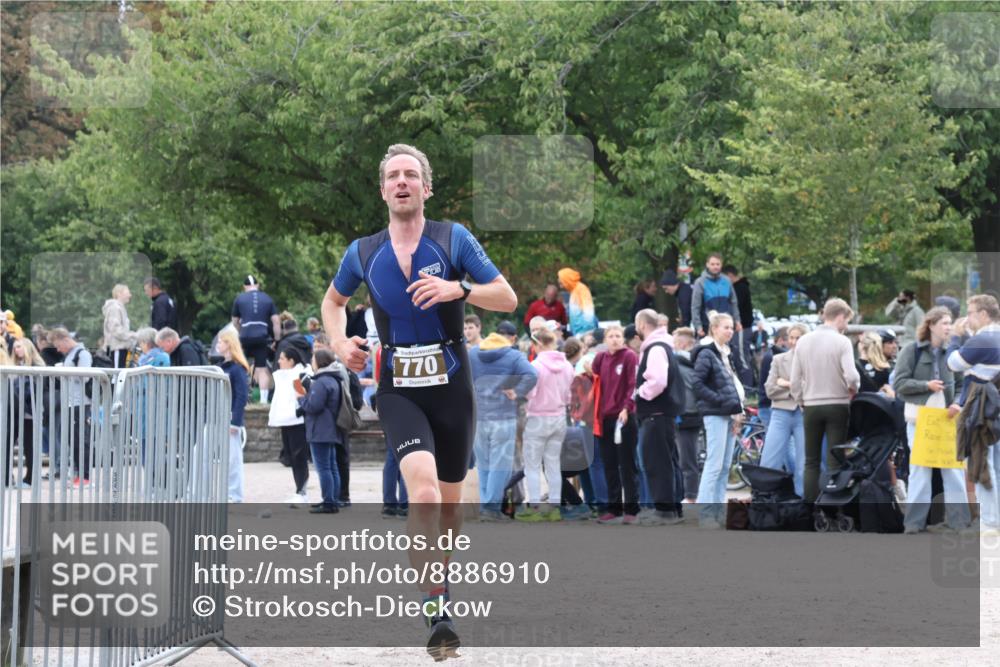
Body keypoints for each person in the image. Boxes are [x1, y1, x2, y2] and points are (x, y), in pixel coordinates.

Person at [321, 143, 516, 656]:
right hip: (399, 387)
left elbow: (507, 296)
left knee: (450, 511)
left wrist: (460, 290)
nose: (402, 182)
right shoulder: (362, 252)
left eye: (411, 175)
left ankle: (440, 582)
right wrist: (341, 344)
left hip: (452, 386)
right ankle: (435, 609)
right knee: (424, 495)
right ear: (383, 190)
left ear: (426, 188)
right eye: (393, 176)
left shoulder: (453, 239)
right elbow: (333, 302)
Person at [893, 306, 970, 533]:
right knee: (920, 472)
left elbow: (961, 383)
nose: (948, 327)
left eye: (949, 323)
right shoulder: (911, 350)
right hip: (920, 420)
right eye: (944, 323)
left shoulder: (953, 353)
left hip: (947, 420)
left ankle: (959, 523)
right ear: (931, 325)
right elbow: (899, 385)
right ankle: (914, 524)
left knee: (953, 472)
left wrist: (957, 403)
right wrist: (925, 386)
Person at [790, 298, 861, 502]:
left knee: (810, 460)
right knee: (835, 458)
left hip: (811, 406)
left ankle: (810, 505)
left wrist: (801, 400)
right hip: (837, 404)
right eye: (846, 320)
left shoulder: (803, 341)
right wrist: (853, 390)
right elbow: (852, 376)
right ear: (840, 317)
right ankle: (832, 503)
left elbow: (795, 380)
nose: (846, 326)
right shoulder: (842, 342)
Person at [469, 323, 537, 522]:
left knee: (484, 464)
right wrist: (517, 392)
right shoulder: (513, 356)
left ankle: (485, 506)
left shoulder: (473, 354)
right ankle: (491, 507)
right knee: (500, 465)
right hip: (503, 416)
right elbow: (532, 375)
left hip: (479, 416)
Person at [947, 294, 1000, 535]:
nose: (967, 318)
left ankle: (989, 522)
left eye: (970, 312)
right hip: (995, 407)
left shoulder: (984, 339)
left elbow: (954, 363)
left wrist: (956, 337)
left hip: (982, 409)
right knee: (996, 466)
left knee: (981, 465)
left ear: (983, 314)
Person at [692, 313, 745, 528]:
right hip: (716, 413)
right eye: (726, 327)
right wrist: (721, 401)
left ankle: (718, 512)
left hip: (729, 413)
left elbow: (731, 384)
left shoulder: (726, 353)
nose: (730, 331)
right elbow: (697, 384)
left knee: (724, 466)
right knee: (714, 465)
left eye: (731, 327)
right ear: (714, 328)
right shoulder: (707, 353)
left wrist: (736, 411)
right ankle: (705, 514)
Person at [633, 309, 684, 525]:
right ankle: (672, 508)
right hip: (663, 414)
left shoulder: (654, 349)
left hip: (655, 413)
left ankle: (664, 510)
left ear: (642, 325)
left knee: (657, 463)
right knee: (668, 461)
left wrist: (639, 393)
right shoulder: (664, 346)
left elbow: (657, 381)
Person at [517, 329, 573, 522]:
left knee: (532, 466)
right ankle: (554, 508)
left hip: (538, 417)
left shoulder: (535, 366)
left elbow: (529, 394)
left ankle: (534, 507)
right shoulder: (567, 366)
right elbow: (569, 396)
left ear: (538, 344)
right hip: (559, 417)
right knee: (553, 465)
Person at [591, 324, 640, 524]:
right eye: (610, 336)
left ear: (623, 338)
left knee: (627, 465)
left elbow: (634, 384)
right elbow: (592, 384)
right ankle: (613, 508)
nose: (614, 339)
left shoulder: (629, 356)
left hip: (624, 417)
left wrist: (627, 407)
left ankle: (632, 509)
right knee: (609, 465)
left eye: (618, 336)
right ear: (604, 340)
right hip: (604, 418)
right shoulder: (600, 359)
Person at [293, 347, 343, 514]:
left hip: (320, 430)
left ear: (320, 362)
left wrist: (301, 398)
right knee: (332, 466)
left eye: (313, 359)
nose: (311, 363)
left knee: (324, 468)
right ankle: (333, 500)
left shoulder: (322, 382)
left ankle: (328, 502)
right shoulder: (334, 380)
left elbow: (314, 406)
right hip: (330, 429)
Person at [761, 323, 809, 497]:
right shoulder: (778, 359)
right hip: (780, 413)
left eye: (798, 337)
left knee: (803, 463)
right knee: (769, 459)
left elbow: (812, 388)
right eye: (791, 337)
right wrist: (796, 387)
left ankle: (802, 501)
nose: (794, 341)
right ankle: (766, 498)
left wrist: (786, 383)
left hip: (803, 413)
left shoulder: (812, 362)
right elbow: (770, 390)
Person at [48, 328, 93, 485]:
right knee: (73, 440)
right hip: (71, 402)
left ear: (65, 339)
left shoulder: (82, 354)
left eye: (58, 345)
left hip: (81, 403)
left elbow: (86, 376)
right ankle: (78, 474)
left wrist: (65, 371)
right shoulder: (71, 354)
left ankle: (85, 476)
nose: (58, 349)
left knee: (82, 440)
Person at [270, 348, 311, 507]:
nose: (279, 361)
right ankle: (299, 490)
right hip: (286, 421)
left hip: (296, 422)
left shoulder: (297, 376)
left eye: (282, 358)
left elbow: (301, 397)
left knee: (299, 457)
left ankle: (302, 491)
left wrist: (297, 412)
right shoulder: (284, 375)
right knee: (292, 457)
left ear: (291, 361)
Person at [232, 274, 281, 403]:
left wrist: (238, 334)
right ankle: (264, 400)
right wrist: (277, 340)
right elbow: (276, 321)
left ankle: (242, 397)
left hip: (244, 336)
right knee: (261, 368)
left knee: (241, 366)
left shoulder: (239, 299)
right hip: (261, 336)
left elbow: (235, 322)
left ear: (244, 287)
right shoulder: (267, 299)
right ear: (257, 285)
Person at [215, 329, 249, 503]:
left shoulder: (237, 369)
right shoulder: (222, 367)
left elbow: (242, 395)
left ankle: (234, 494)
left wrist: (235, 422)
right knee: (202, 454)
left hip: (229, 418)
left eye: (221, 341)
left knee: (233, 460)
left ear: (229, 344)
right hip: (216, 417)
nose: (218, 344)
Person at [8, 337, 46, 487]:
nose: (17, 350)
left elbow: (35, 391)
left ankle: (30, 478)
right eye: (15, 347)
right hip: (15, 412)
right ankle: (8, 476)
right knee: (9, 444)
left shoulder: (37, 366)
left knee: (30, 446)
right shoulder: (14, 365)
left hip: (31, 413)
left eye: (20, 346)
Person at [671, 327, 703, 503]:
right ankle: (689, 494)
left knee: (686, 459)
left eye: (674, 342)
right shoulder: (699, 361)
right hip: (693, 414)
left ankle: (690, 496)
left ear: (682, 344)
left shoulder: (677, 363)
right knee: (688, 457)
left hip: (684, 415)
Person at [690, 253, 740, 339]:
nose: (715, 267)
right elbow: (695, 306)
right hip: (708, 325)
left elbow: (733, 302)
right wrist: (698, 326)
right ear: (707, 264)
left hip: (726, 324)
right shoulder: (700, 282)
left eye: (718, 264)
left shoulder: (727, 281)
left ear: (721, 265)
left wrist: (737, 321)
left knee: (727, 351)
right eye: (712, 264)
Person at [757, 327, 790, 430]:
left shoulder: (771, 355)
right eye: (790, 339)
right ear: (781, 340)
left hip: (768, 405)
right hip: (769, 406)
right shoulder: (773, 357)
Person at [103, 284, 136, 368]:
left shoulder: (120, 308)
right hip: (117, 347)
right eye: (127, 292)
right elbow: (115, 329)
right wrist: (132, 335)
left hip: (121, 347)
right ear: (119, 293)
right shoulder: (115, 308)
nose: (130, 295)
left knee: (119, 374)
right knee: (117, 375)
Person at [558, 268, 598, 336]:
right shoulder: (574, 291)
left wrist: (586, 331)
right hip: (578, 332)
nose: (561, 286)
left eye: (562, 282)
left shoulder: (581, 289)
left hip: (584, 332)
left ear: (567, 280)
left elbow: (588, 311)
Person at [857, 331, 895, 398]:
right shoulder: (885, 367)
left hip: (858, 406)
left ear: (861, 345)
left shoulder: (854, 366)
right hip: (879, 406)